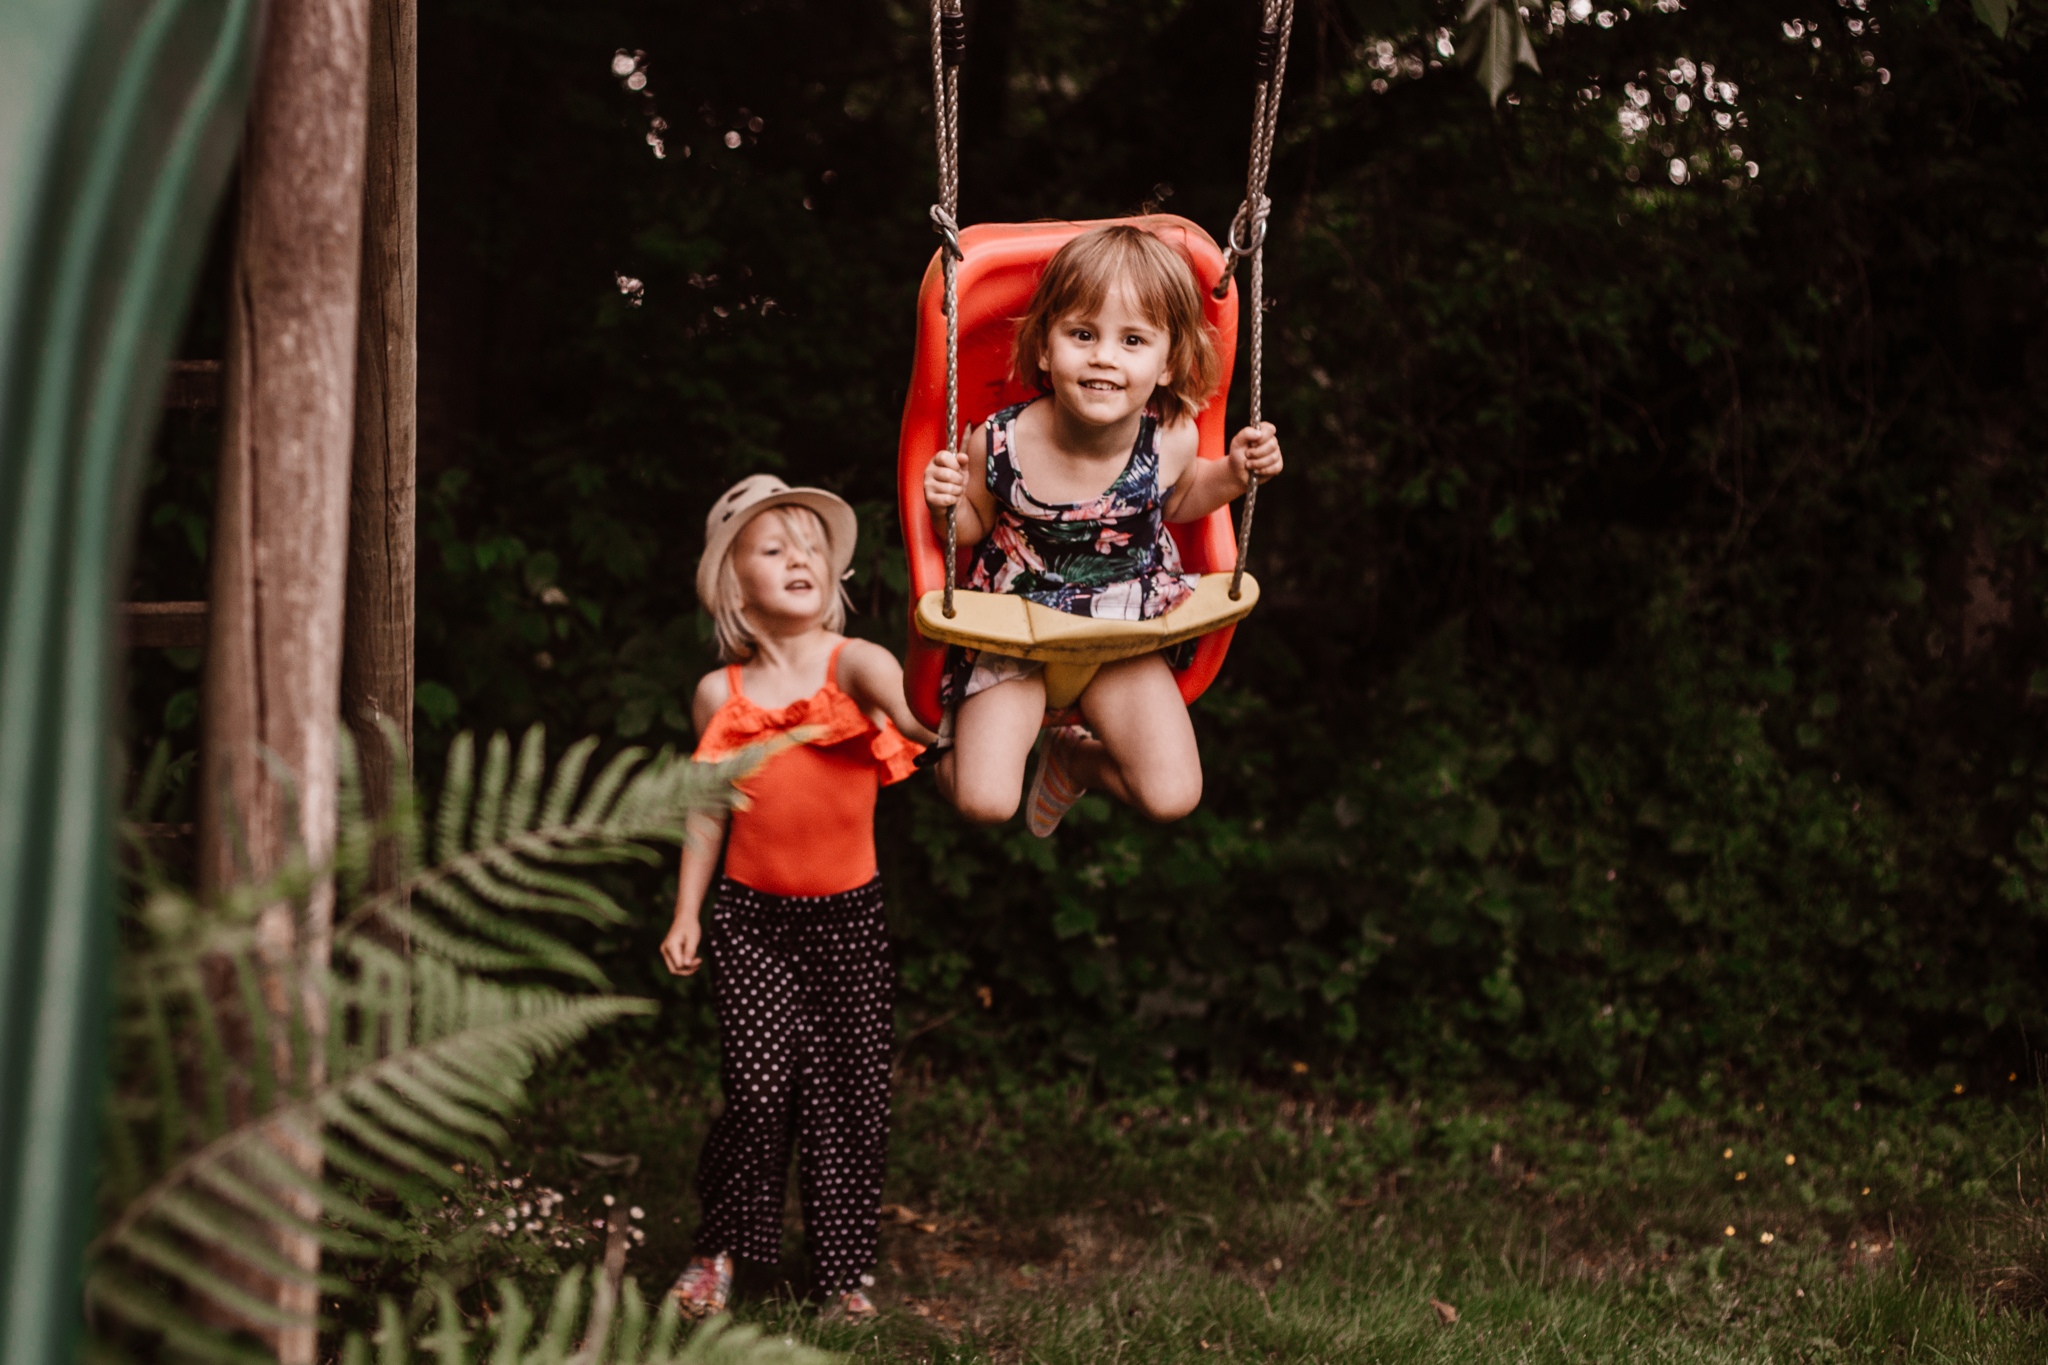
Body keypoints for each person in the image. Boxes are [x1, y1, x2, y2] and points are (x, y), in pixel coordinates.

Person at [660, 474, 933, 1322]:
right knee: (756, 1089)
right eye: (773, 550)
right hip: (750, 922)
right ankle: (720, 1250)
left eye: (810, 548)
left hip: (848, 918)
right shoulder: (721, 694)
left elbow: (921, 719)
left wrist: (974, 713)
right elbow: (708, 810)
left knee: (847, 1095)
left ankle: (841, 1274)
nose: (798, 559)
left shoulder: (857, 663)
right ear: (733, 583)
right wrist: (686, 911)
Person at [922, 224, 1285, 836]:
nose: (1104, 357)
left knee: (1173, 795)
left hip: (1127, 632)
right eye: (1082, 334)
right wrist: (946, 505)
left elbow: (1180, 501)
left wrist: (1233, 474)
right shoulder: (998, 443)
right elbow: (972, 529)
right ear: (1045, 348)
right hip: (1020, 634)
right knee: (984, 801)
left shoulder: (1170, 437)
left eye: (1133, 340)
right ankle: (939, 737)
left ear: (1168, 362)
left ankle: (1077, 760)